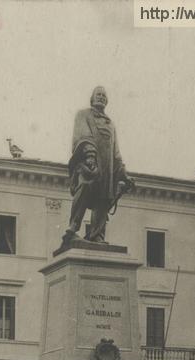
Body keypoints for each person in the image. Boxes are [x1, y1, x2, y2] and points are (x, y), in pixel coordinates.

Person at [65, 86, 134, 244]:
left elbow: (116, 152)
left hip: (107, 169)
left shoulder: (111, 124)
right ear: (92, 98)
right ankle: (72, 228)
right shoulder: (83, 114)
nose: (101, 97)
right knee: (84, 189)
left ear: (107, 101)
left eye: (104, 95)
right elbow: (83, 135)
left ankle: (97, 234)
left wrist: (123, 173)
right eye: (98, 94)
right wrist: (90, 154)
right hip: (88, 164)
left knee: (103, 201)